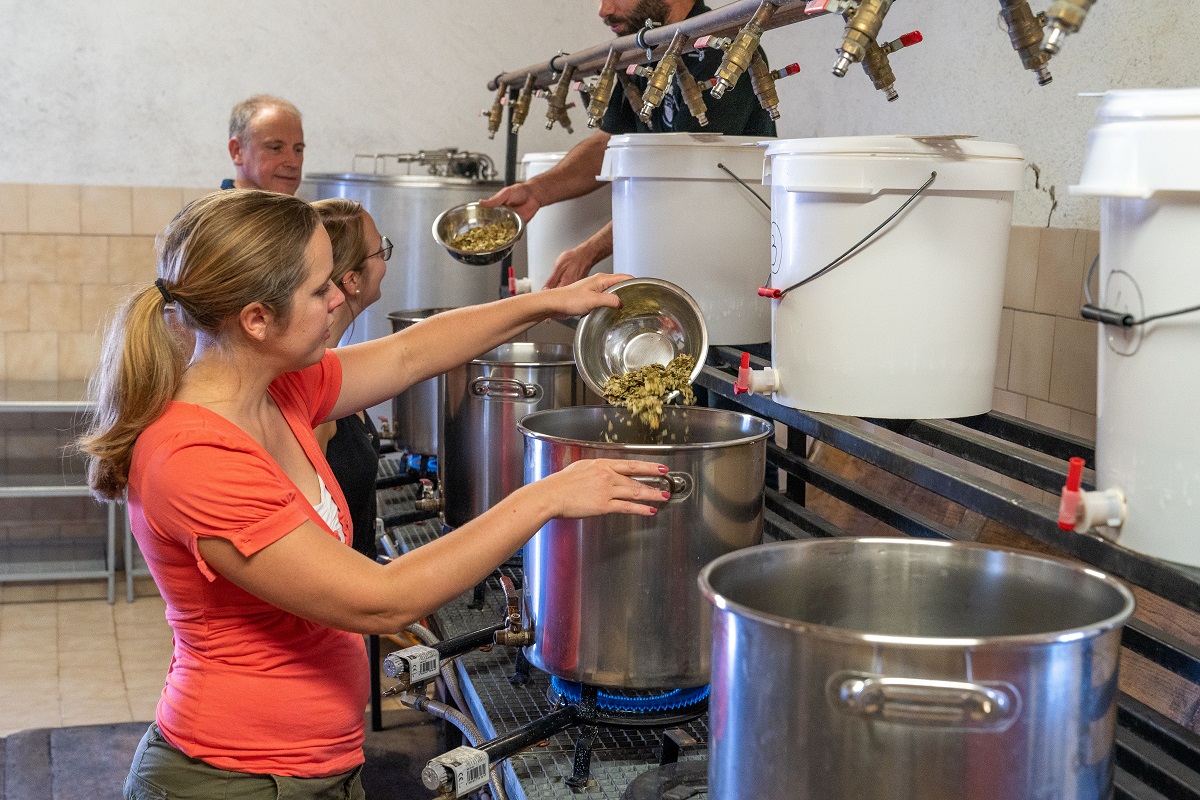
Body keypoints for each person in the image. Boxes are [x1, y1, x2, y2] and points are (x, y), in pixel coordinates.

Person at [79, 189, 668, 799]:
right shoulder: (194, 458)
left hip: (316, 765)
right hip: (236, 777)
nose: (340, 298)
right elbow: (382, 602)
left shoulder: (277, 390)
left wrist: (549, 302)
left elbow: (411, 354)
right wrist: (545, 497)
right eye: (319, 290)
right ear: (256, 319)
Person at [481, 0, 776, 289]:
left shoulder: (720, 49)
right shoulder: (645, 51)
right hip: (664, 251)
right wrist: (535, 192)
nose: (604, 10)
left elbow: (684, 176)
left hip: (725, 257)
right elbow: (606, 145)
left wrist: (589, 251)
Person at [310, 198, 389, 560]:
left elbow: (409, 356)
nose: (385, 263)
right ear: (352, 280)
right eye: (380, 251)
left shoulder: (330, 363)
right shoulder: (307, 386)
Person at [222, 95, 305, 194]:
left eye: (298, 150)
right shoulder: (216, 205)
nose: (293, 163)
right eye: (276, 148)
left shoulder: (306, 204)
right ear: (237, 151)